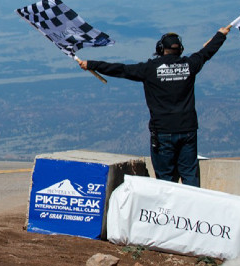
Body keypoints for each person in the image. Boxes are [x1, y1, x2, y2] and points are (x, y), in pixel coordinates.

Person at [77, 25, 231, 187]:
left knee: (166, 180)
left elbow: (120, 69)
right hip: (188, 130)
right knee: (190, 175)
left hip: (163, 132)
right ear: (180, 50)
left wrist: (92, 64)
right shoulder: (189, 65)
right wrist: (221, 34)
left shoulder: (149, 69)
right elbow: (206, 53)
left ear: (160, 49)